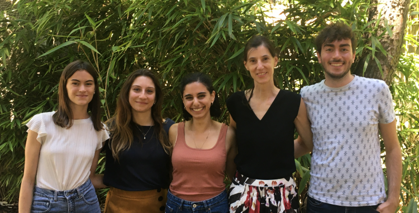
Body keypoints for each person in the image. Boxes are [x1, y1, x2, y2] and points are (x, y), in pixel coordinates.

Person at [300, 22, 402, 213]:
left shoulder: (377, 90)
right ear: (319, 56)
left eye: (344, 49)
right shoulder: (307, 95)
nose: (337, 56)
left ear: (354, 55)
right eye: (329, 49)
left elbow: (393, 147)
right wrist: (262, 156)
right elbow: (304, 143)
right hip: (322, 202)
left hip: (369, 202)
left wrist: (394, 199)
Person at [226, 35, 313, 213]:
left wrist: (277, 153)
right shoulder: (236, 103)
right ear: (246, 65)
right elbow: (233, 147)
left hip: (282, 195)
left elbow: (307, 143)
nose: (260, 66)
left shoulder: (293, 102)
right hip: (243, 192)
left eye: (265, 59)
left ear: (275, 60)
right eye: (253, 61)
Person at [18, 60, 109, 213]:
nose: (82, 89)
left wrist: (129, 180)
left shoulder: (99, 129)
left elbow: (90, 177)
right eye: (75, 83)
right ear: (65, 87)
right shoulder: (41, 123)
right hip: (46, 203)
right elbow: (28, 179)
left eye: (88, 84)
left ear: (94, 89)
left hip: (85, 201)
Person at [92, 69, 174, 213]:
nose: (142, 96)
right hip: (119, 207)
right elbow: (85, 174)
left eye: (149, 91)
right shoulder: (110, 129)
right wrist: (113, 181)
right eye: (136, 89)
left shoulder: (169, 129)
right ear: (127, 94)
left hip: (159, 206)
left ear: (155, 97)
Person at [166, 72, 236, 213]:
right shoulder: (174, 131)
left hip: (215, 206)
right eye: (189, 98)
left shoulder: (228, 134)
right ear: (183, 100)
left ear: (212, 96)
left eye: (201, 96)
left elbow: (233, 176)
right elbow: (166, 171)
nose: (196, 102)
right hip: (176, 206)